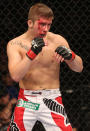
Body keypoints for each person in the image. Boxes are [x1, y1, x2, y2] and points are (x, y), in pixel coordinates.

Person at [7, 3, 83, 131]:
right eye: (42, 24)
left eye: (49, 24)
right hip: (27, 100)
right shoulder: (15, 44)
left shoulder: (57, 40)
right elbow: (15, 76)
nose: (46, 29)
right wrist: (32, 52)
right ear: (30, 23)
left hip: (52, 98)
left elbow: (79, 68)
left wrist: (71, 56)